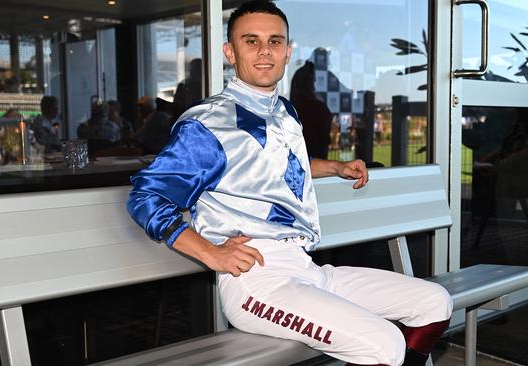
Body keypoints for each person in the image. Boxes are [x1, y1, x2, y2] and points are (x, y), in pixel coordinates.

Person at [126, 2, 452, 365]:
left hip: (305, 267)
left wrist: (334, 167)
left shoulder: (283, 110)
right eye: (251, 41)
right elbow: (146, 197)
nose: (265, 51)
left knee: (434, 302)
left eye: (275, 41)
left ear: (288, 52)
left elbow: (272, 166)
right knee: (385, 343)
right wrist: (212, 253)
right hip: (257, 281)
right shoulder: (208, 123)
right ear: (230, 52)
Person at [290, 60, 332, 159]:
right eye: (312, 80)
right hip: (313, 157)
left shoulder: (293, 106)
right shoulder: (313, 106)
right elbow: (325, 126)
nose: (314, 83)